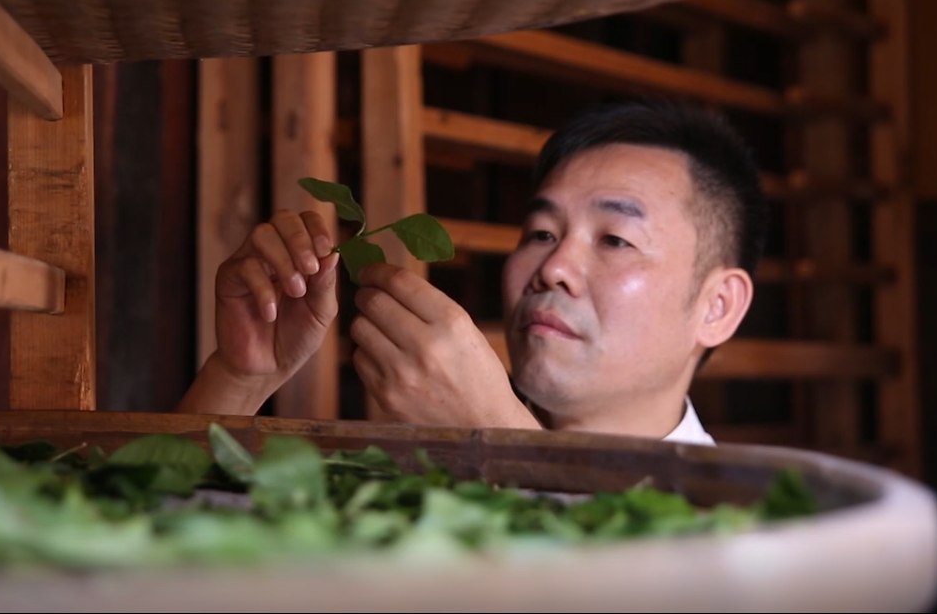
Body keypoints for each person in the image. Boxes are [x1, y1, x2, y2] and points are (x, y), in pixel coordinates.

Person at [177, 99, 768, 446]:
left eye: (615, 239)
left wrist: (503, 440)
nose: (553, 268)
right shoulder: (421, 466)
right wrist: (239, 377)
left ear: (717, 306)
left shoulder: (746, 529)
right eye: (540, 234)